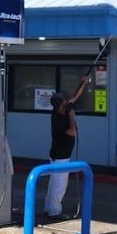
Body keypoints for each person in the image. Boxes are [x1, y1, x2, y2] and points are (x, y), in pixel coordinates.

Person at [44, 76, 90, 217]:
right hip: (60, 155)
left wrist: (83, 83)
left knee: (54, 183)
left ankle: (49, 208)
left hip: (59, 154)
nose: (67, 102)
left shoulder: (62, 109)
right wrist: (72, 117)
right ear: (61, 105)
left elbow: (74, 98)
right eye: (65, 101)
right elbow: (72, 132)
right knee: (59, 185)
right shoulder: (58, 119)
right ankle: (54, 211)